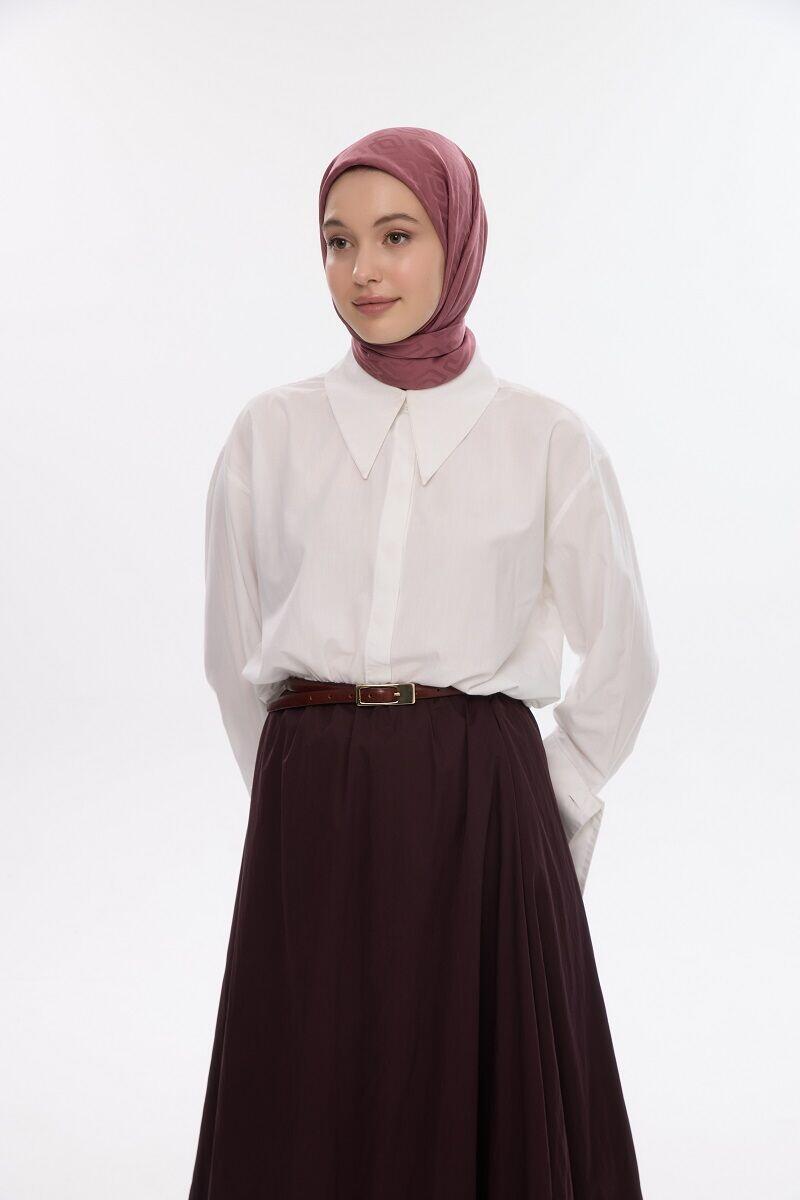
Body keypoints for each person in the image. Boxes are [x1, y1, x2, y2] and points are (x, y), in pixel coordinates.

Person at [188, 125, 659, 1199]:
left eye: (395, 235)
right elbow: (230, 655)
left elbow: (625, 652)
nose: (362, 269)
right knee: (313, 1082)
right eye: (337, 241)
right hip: (311, 798)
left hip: (483, 803)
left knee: (480, 1090)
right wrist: (296, 793)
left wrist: (541, 796)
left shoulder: (545, 438)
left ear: (457, 240)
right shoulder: (270, 433)